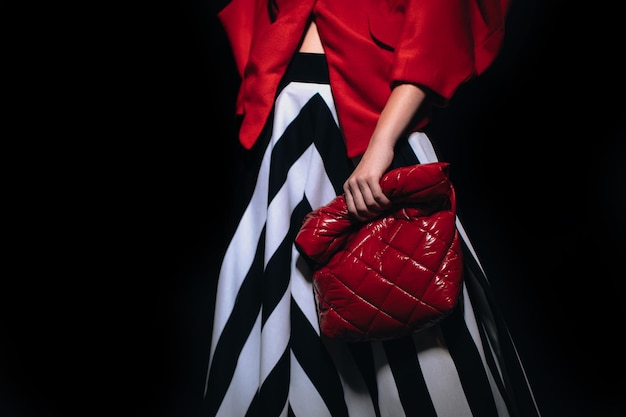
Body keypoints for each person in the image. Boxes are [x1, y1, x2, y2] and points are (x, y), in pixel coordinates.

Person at [204, 0, 543, 416]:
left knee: (409, 325)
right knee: (278, 332)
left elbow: (437, 28)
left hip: (374, 128)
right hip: (285, 130)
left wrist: (383, 143)